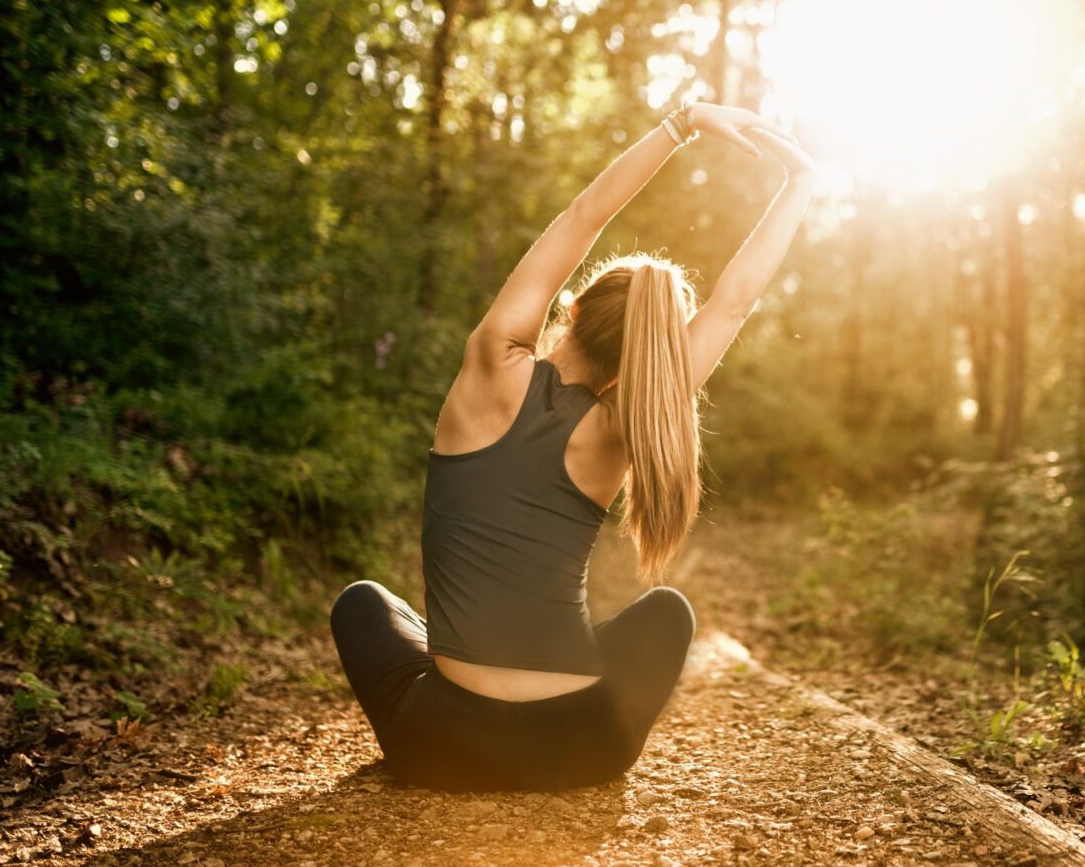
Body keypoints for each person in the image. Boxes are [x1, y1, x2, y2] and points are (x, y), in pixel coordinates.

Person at [328, 101, 819, 792]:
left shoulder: (490, 367)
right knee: (668, 612)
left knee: (364, 603)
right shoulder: (625, 426)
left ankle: (447, 740)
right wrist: (800, 179)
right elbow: (732, 304)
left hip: (442, 747)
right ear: (640, 360)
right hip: (577, 748)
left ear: (576, 309)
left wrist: (682, 125)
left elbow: (583, 217)